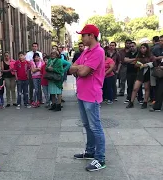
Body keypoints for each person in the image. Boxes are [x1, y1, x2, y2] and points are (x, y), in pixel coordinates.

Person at [69, 24, 106, 171]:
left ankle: (100, 158)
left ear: (91, 36)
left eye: (83, 35)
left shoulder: (98, 52)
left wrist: (79, 68)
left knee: (95, 127)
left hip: (92, 94)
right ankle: (90, 151)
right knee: (87, 125)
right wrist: (79, 68)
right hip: (82, 93)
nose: (81, 37)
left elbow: (82, 72)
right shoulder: (86, 51)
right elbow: (72, 67)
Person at [126, 43, 155, 109]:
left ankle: (145, 102)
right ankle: (131, 102)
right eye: (141, 48)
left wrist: (147, 64)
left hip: (147, 73)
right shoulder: (138, 55)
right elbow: (135, 64)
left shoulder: (150, 56)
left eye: (144, 48)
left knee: (147, 88)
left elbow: (154, 63)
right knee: (135, 88)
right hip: (140, 73)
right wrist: (137, 65)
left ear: (147, 48)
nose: (142, 49)